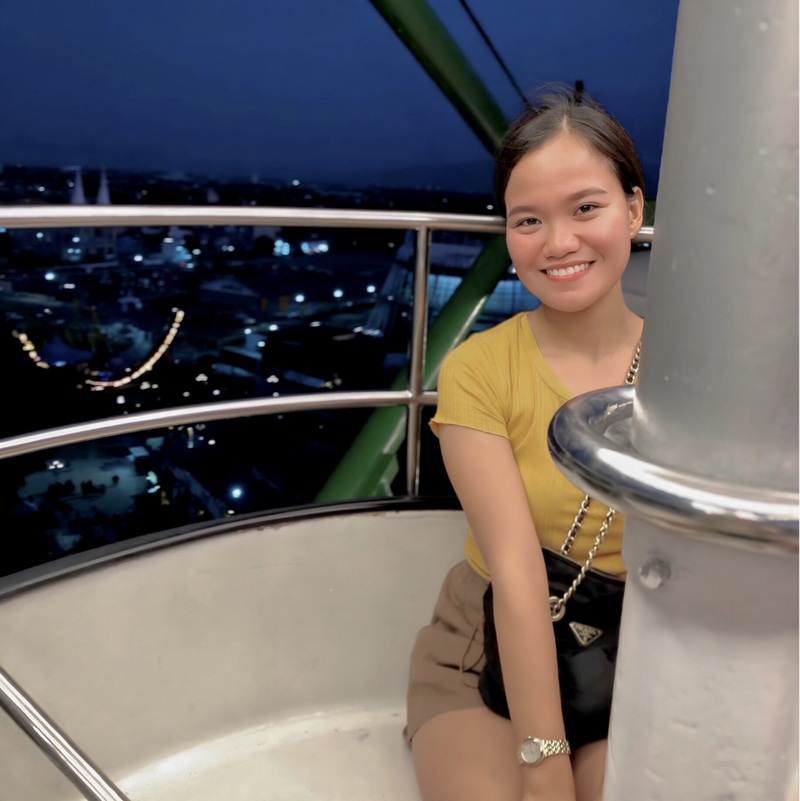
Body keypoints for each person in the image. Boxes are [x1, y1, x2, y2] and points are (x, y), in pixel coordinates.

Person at [405, 90, 646, 801]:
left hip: (638, 647)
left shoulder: (689, 371)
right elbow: (516, 575)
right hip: (489, 648)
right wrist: (545, 767)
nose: (558, 242)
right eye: (528, 220)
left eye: (585, 207)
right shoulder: (481, 369)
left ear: (634, 208)